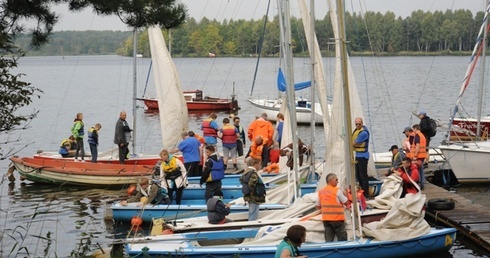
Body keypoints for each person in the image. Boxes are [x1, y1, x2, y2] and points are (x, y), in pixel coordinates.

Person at [316, 173, 348, 242]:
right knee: (342, 239)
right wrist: (346, 194)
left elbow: (317, 206)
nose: (337, 181)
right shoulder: (337, 191)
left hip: (326, 220)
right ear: (331, 180)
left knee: (328, 240)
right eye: (336, 180)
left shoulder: (321, 192)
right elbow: (346, 202)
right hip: (337, 219)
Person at [352, 117, 370, 198]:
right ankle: (361, 192)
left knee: (363, 176)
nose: (358, 125)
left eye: (359, 124)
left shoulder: (363, 133)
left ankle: (366, 194)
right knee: (358, 176)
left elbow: (355, 143)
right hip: (358, 156)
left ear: (362, 123)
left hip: (363, 156)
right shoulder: (356, 130)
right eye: (356, 124)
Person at [411, 124, 427, 190]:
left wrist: (415, 155)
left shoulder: (417, 136)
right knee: (421, 170)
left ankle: (420, 184)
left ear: (415, 129)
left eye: (413, 129)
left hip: (419, 156)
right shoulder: (422, 135)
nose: (413, 131)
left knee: (418, 170)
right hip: (422, 155)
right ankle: (422, 184)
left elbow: (417, 145)